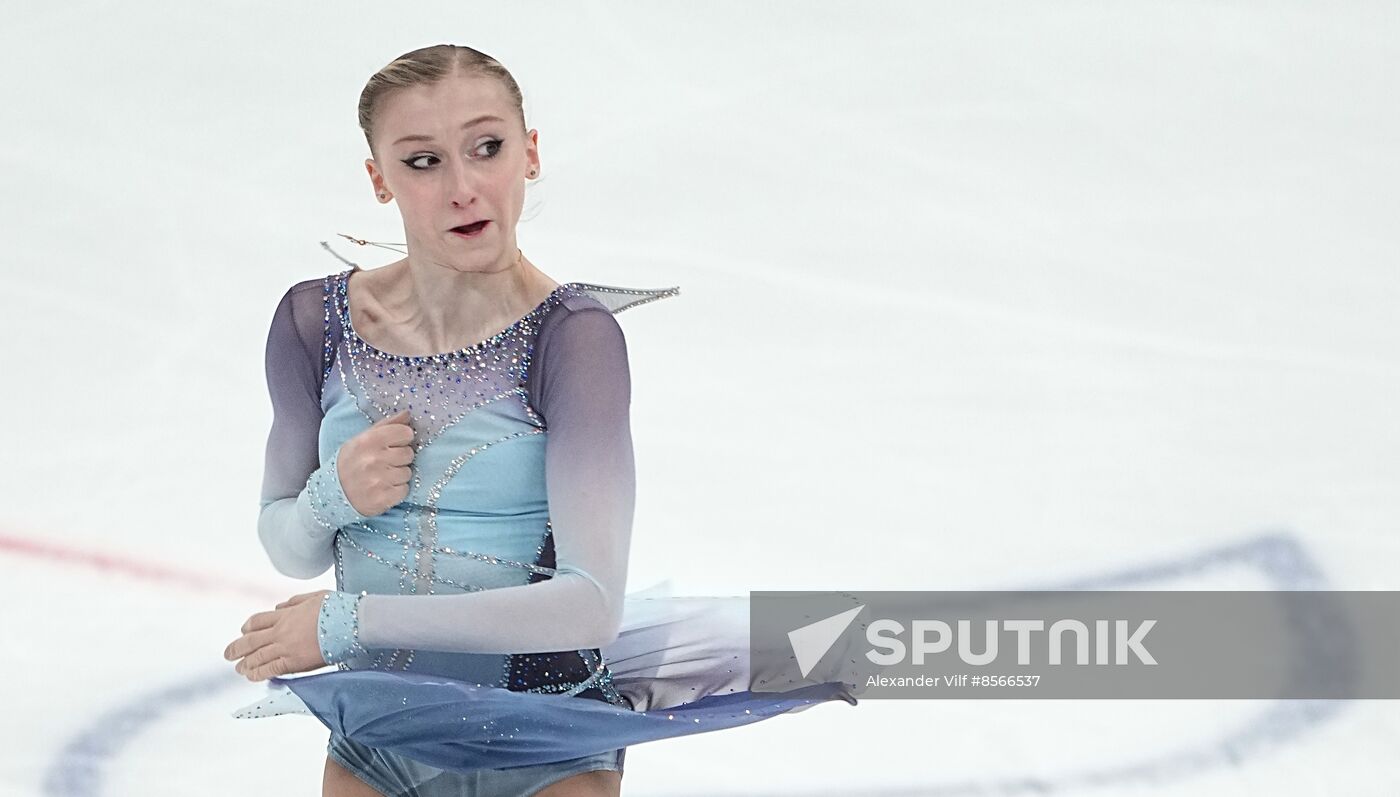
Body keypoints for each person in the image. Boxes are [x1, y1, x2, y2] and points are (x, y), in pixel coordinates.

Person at [223, 44, 855, 797]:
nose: (463, 188)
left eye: (485, 148)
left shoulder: (573, 339)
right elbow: (284, 539)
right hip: (379, 741)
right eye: (423, 161)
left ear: (529, 154)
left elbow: (589, 603)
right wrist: (333, 497)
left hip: (546, 740)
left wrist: (345, 622)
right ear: (378, 178)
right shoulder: (313, 322)